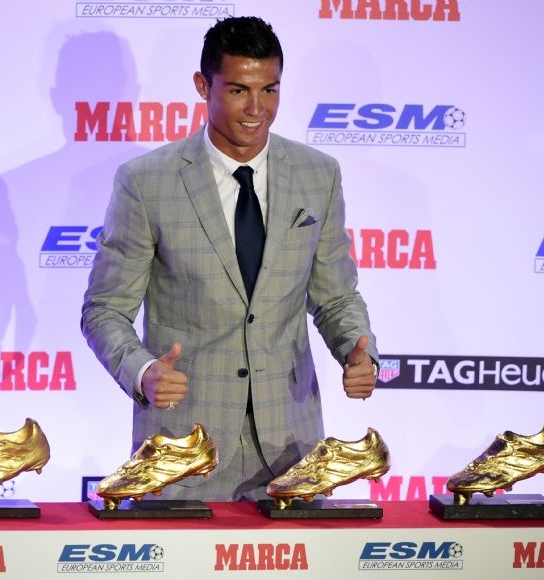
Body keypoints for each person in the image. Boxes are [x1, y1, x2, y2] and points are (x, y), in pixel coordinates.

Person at [81, 15, 379, 501]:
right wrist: (143, 370)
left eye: (270, 90)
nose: (257, 109)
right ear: (203, 86)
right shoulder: (146, 182)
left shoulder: (318, 175)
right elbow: (105, 309)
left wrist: (357, 351)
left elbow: (336, 296)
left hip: (293, 446)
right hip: (181, 447)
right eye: (239, 90)